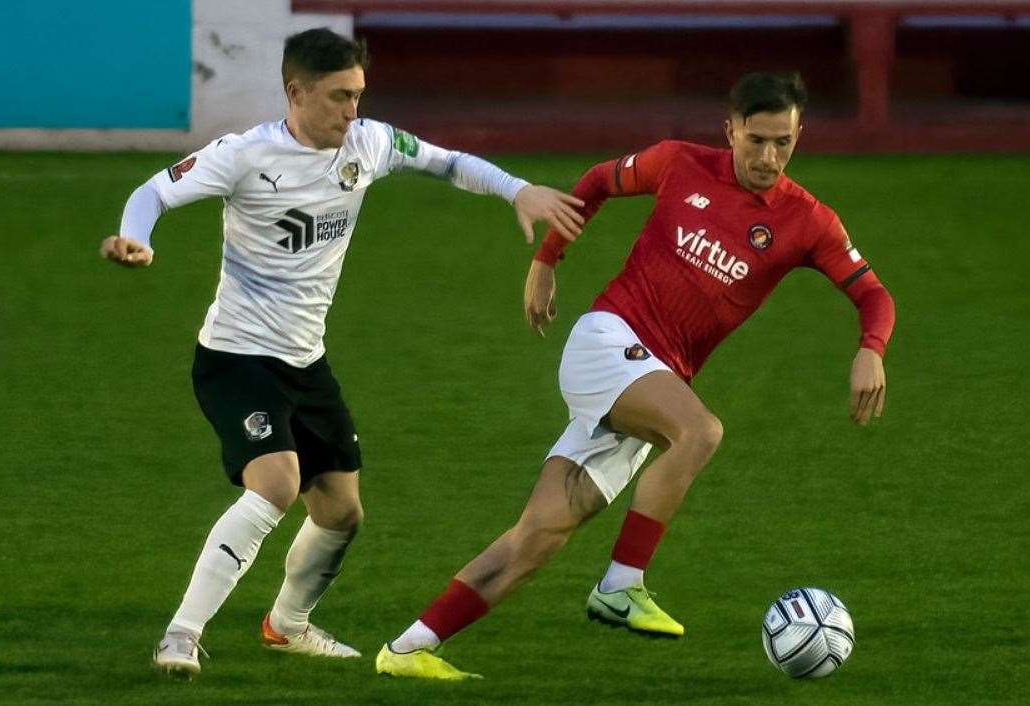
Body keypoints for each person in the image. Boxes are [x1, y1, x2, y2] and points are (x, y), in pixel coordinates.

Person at [376, 71, 895, 680]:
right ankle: (622, 586)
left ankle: (408, 649)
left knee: (537, 537)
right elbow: (597, 182)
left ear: (799, 135)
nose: (769, 156)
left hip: (650, 379)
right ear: (729, 130)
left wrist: (872, 349)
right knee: (699, 432)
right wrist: (545, 262)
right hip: (608, 341)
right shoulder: (677, 163)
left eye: (783, 142)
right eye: (756, 140)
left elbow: (874, 295)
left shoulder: (808, 221)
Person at [100, 28, 584, 678]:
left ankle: (287, 627)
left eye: (357, 95)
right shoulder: (244, 154)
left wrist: (516, 189)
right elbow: (152, 192)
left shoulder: (370, 143)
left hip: (306, 361)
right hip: (235, 358)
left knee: (339, 511)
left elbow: (447, 161)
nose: (350, 111)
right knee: (277, 484)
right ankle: (181, 636)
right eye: (336, 98)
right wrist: (136, 239)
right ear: (295, 92)